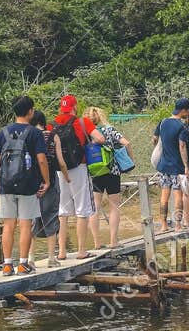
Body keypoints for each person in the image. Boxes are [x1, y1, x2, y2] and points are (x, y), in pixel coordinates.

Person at [0, 97, 51, 275]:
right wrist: (46, 181)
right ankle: (23, 263)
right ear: (30, 111)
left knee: (8, 225)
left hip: (6, 185)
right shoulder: (34, 133)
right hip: (28, 185)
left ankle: (7, 265)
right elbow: (41, 159)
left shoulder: (4, 132)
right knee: (25, 224)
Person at [50, 95, 97, 259]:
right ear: (74, 107)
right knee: (82, 210)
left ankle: (62, 252)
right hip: (79, 167)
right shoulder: (82, 122)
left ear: (61, 108)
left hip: (59, 171)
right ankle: (81, 251)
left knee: (62, 212)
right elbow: (100, 138)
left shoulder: (53, 124)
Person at [85, 106, 130, 247]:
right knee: (114, 207)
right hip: (112, 171)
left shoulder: (87, 133)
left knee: (95, 207)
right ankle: (113, 241)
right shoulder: (109, 129)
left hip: (95, 171)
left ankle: (97, 243)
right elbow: (126, 143)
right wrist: (130, 160)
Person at [31, 109, 64, 266]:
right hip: (49, 180)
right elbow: (61, 161)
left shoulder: (28, 136)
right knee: (51, 215)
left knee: (31, 219)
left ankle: (29, 259)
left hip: (31, 183)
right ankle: (51, 257)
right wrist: (68, 177)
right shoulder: (53, 136)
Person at [153, 99, 189, 230]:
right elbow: (182, 146)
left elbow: (154, 138)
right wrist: (186, 165)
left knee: (164, 196)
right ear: (183, 111)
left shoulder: (163, 122)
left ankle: (163, 225)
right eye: (188, 110)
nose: (188, 113)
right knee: (178, 196)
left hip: (164, 166)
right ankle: (178, 225)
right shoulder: (182, 126)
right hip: (177, 166)